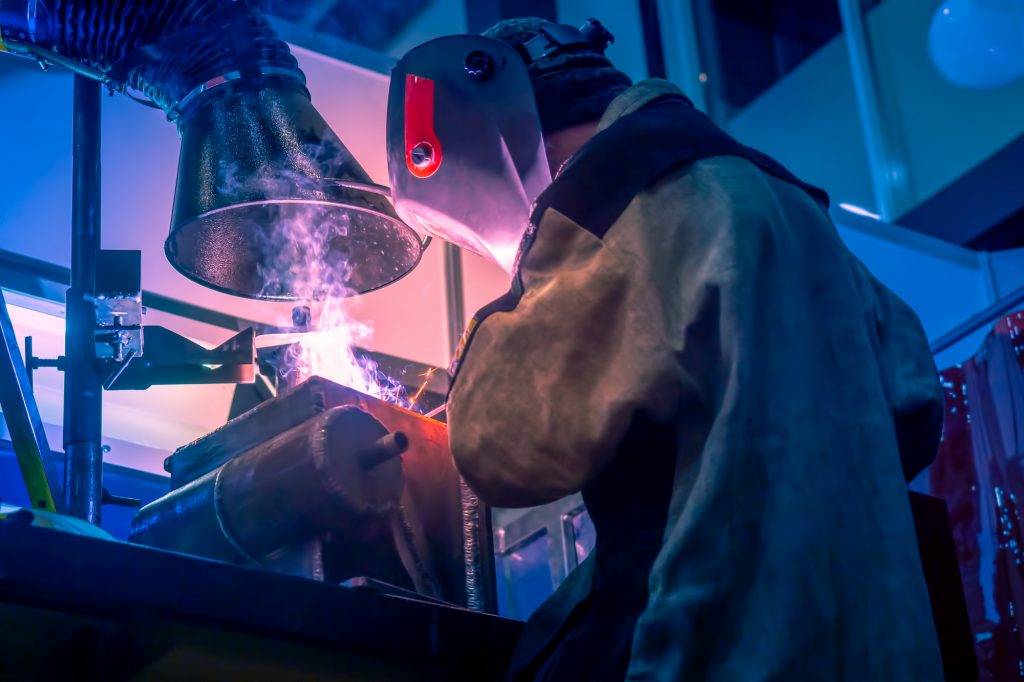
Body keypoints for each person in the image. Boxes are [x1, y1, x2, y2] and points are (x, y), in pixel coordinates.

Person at [389, 17, 945, 681]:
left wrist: (514, 304)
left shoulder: (619, 196)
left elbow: (498, 442)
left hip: (711, 649)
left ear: (498, 129)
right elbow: (917, 410)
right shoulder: (792, 209)